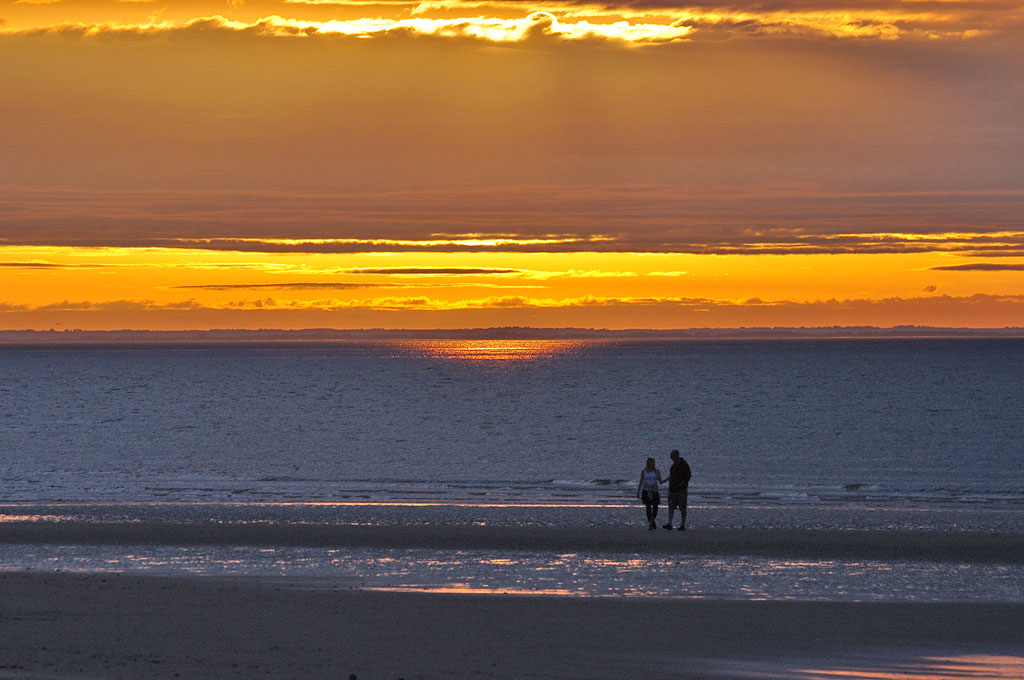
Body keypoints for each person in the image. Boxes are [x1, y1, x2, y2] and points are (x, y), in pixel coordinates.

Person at [662, 449, 691, 531]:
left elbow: (688, 476)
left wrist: (682, 484)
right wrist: (666, 482)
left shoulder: (684, 464)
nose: (671, 458)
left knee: (682, 507)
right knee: (671, 506)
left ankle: (682, 524)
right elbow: (671, 476)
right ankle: (670, 523)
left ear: (676, 455)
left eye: (672, 456)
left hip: (681, 489)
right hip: (672, 489)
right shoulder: (673, 466)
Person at [636, 457, 665, 530]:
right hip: (646, 490)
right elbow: (641, 481)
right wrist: (638, 491)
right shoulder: (644, 471)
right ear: (648, 463)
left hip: (654, 490)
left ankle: (652, 521)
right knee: (648, 507)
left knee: (655, 507)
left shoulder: (657, 471)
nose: (652, 464)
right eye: (650, 462)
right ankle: (651, 523)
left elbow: (660, 481)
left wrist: (668, 479)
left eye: (653, 462)